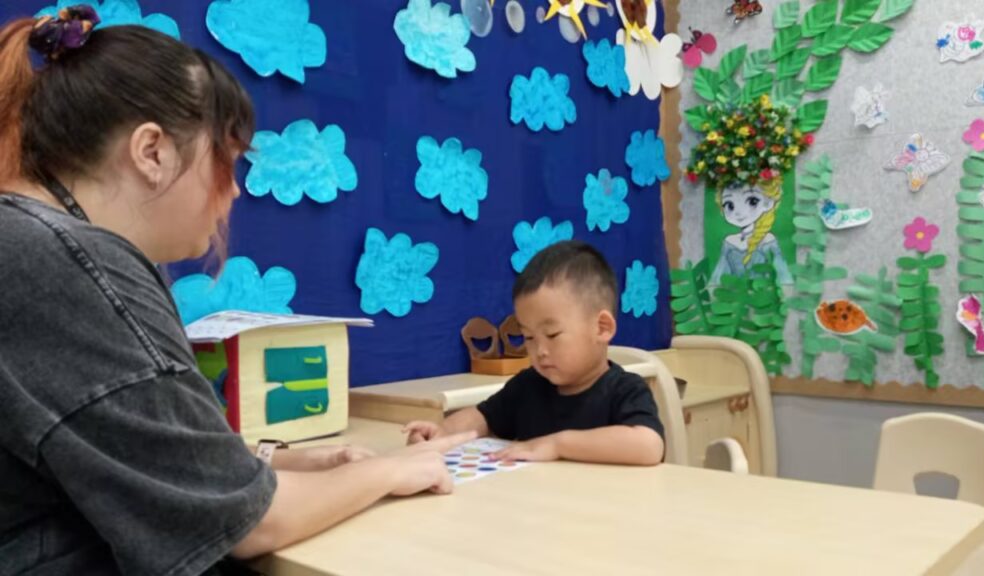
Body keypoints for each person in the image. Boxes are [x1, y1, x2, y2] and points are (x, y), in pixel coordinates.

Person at [0, 8, 471, 575]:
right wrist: (389, 470)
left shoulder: (33, 242)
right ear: (152, 152)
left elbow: (137, 455)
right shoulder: (70, 261)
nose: (236, 191)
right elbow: (251, 524)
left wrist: (278, 462)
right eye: (226, 161)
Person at [404, 241, 665, 465]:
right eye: (528, 337)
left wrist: (557, 444)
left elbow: (648, 446)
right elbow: (482, 417)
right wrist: (442, 432)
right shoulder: (528, 385)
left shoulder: (626, 390)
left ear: (602, 328)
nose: (539, 351)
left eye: (552, 335)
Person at [708, 180, 793, 285]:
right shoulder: (729, 241)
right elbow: (720, 274)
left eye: (752, 201)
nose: (739, 212)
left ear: (768, 203)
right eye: (729, 205)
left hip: (762, 292)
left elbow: (782, 274)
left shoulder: (768, 240)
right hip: (734, 292)